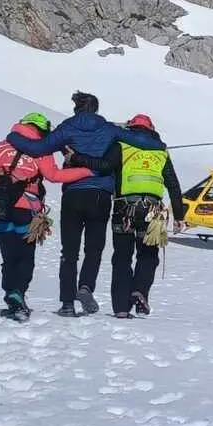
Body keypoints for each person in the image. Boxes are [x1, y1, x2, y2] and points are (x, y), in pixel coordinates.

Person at [4, 91, 164, 317]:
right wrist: (159, 143)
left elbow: (38, 148)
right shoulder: (108, 128)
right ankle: (86, 286)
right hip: (100, 195)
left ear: (77, 109)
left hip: (73, 193)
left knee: (69, 251)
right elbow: (141, 141)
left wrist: (13, 138)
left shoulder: (67, 128)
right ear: (95, 108)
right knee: (94, 249)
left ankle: (67, 303)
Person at [0, 112, 94, 321]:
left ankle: (11, 293)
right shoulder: (41, 149)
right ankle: (17, 293)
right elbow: (54, 176)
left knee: (9, 255)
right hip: (26, 208)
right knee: (25, 255)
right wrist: (86, 171)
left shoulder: (3, 145)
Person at [66, 113, 186, 318]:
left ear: (131, 128)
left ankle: (121, 308)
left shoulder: (122, 145)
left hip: (124, 209)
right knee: (148, 255)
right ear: (151, 129)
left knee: (122, 257)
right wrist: (180, 216)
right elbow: (173, 184)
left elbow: (103, 166)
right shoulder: (161, 151)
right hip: (152, 211)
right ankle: (140, 290)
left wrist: (76, 158)